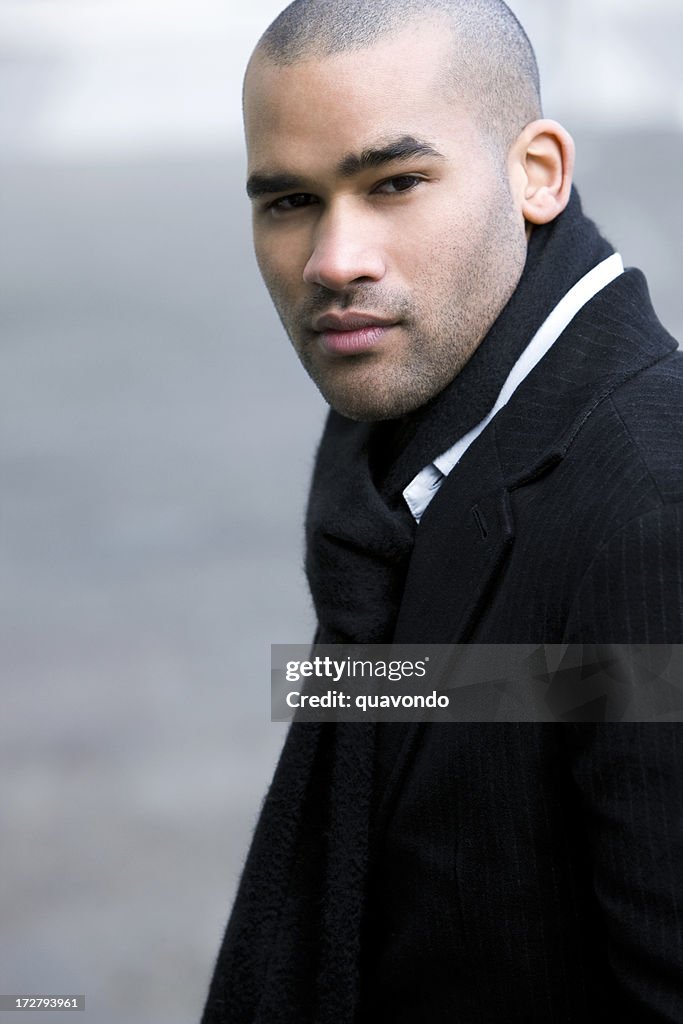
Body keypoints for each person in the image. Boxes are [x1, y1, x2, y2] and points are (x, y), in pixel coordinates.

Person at [202, 1, 683, 1020]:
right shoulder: (390, 472)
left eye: (394, 183)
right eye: (288, 201)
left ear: (535, 173)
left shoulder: (649, 514)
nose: (335, 261)